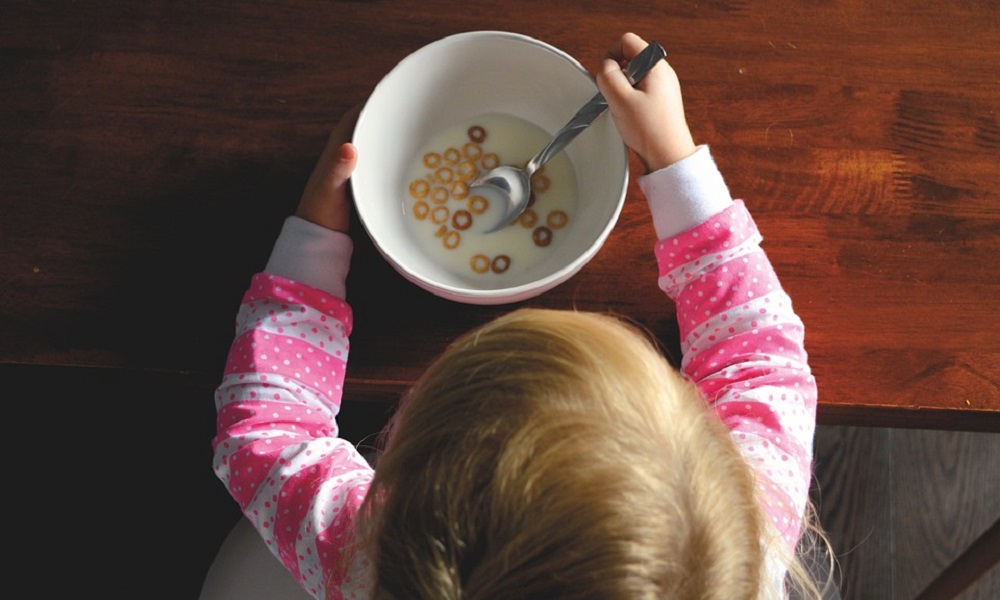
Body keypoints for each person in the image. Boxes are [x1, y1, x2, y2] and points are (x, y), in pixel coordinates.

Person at [209, 32, 836, 600]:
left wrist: (314, 237)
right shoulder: (745, 542)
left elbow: (266, 431)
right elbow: (759, 358)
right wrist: (673, 157)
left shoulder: (363, 557)